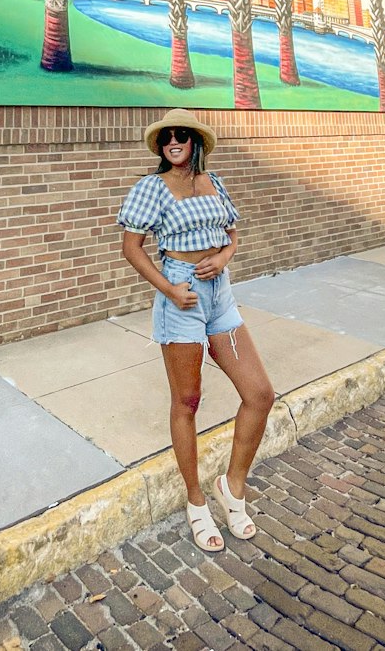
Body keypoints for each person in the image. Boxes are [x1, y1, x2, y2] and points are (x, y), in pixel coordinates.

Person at [117, 108, 275, 553]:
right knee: (187, 401)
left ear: (194, 142)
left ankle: (233, 486)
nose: (173, 142)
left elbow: (231, 235)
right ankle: (196, 501)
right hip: (180, 298)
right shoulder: (152, 188)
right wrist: (169, 288)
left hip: (219, 296)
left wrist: (223, 260)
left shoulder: (213, 182)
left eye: (181, 135)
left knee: (260, 394)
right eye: (166, 136)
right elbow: (132, 247)